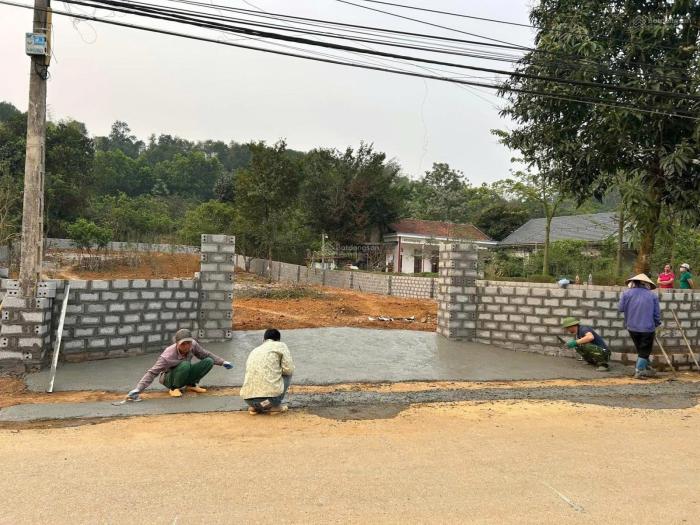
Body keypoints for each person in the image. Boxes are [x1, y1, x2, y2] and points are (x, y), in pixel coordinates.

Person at [126, 328, 232, 400]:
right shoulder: (167, 356)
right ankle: (174, 388)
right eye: (183, 344)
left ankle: (191, 385)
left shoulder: (193, 345)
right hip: (169, 378)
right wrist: (138, 389)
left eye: (189, 343)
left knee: (208, 361)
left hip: (184, 372)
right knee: (185, 365)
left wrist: (223, 362)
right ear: (177, 344)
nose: (187, 346)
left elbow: (205, 354)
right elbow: (152, 372)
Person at [240, 328, 295, 415]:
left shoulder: (255, 350)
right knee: (289, 373)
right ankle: (275, 407)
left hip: (248, 401)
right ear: (278, 340)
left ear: (263, 339)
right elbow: (289, 369)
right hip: (268, 402)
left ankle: (255, 408)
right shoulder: (281, 346)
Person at [619, 274, 661, 379]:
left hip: (631, 327)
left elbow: (620, 308)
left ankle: (648, 368)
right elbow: (656, 314)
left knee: (641, 349)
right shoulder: (652, 295)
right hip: (647, 328)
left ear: (634, 283)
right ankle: (639, 371)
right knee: (644, 351)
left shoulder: (626, 293)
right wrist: (657, 323)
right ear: (646, 284)